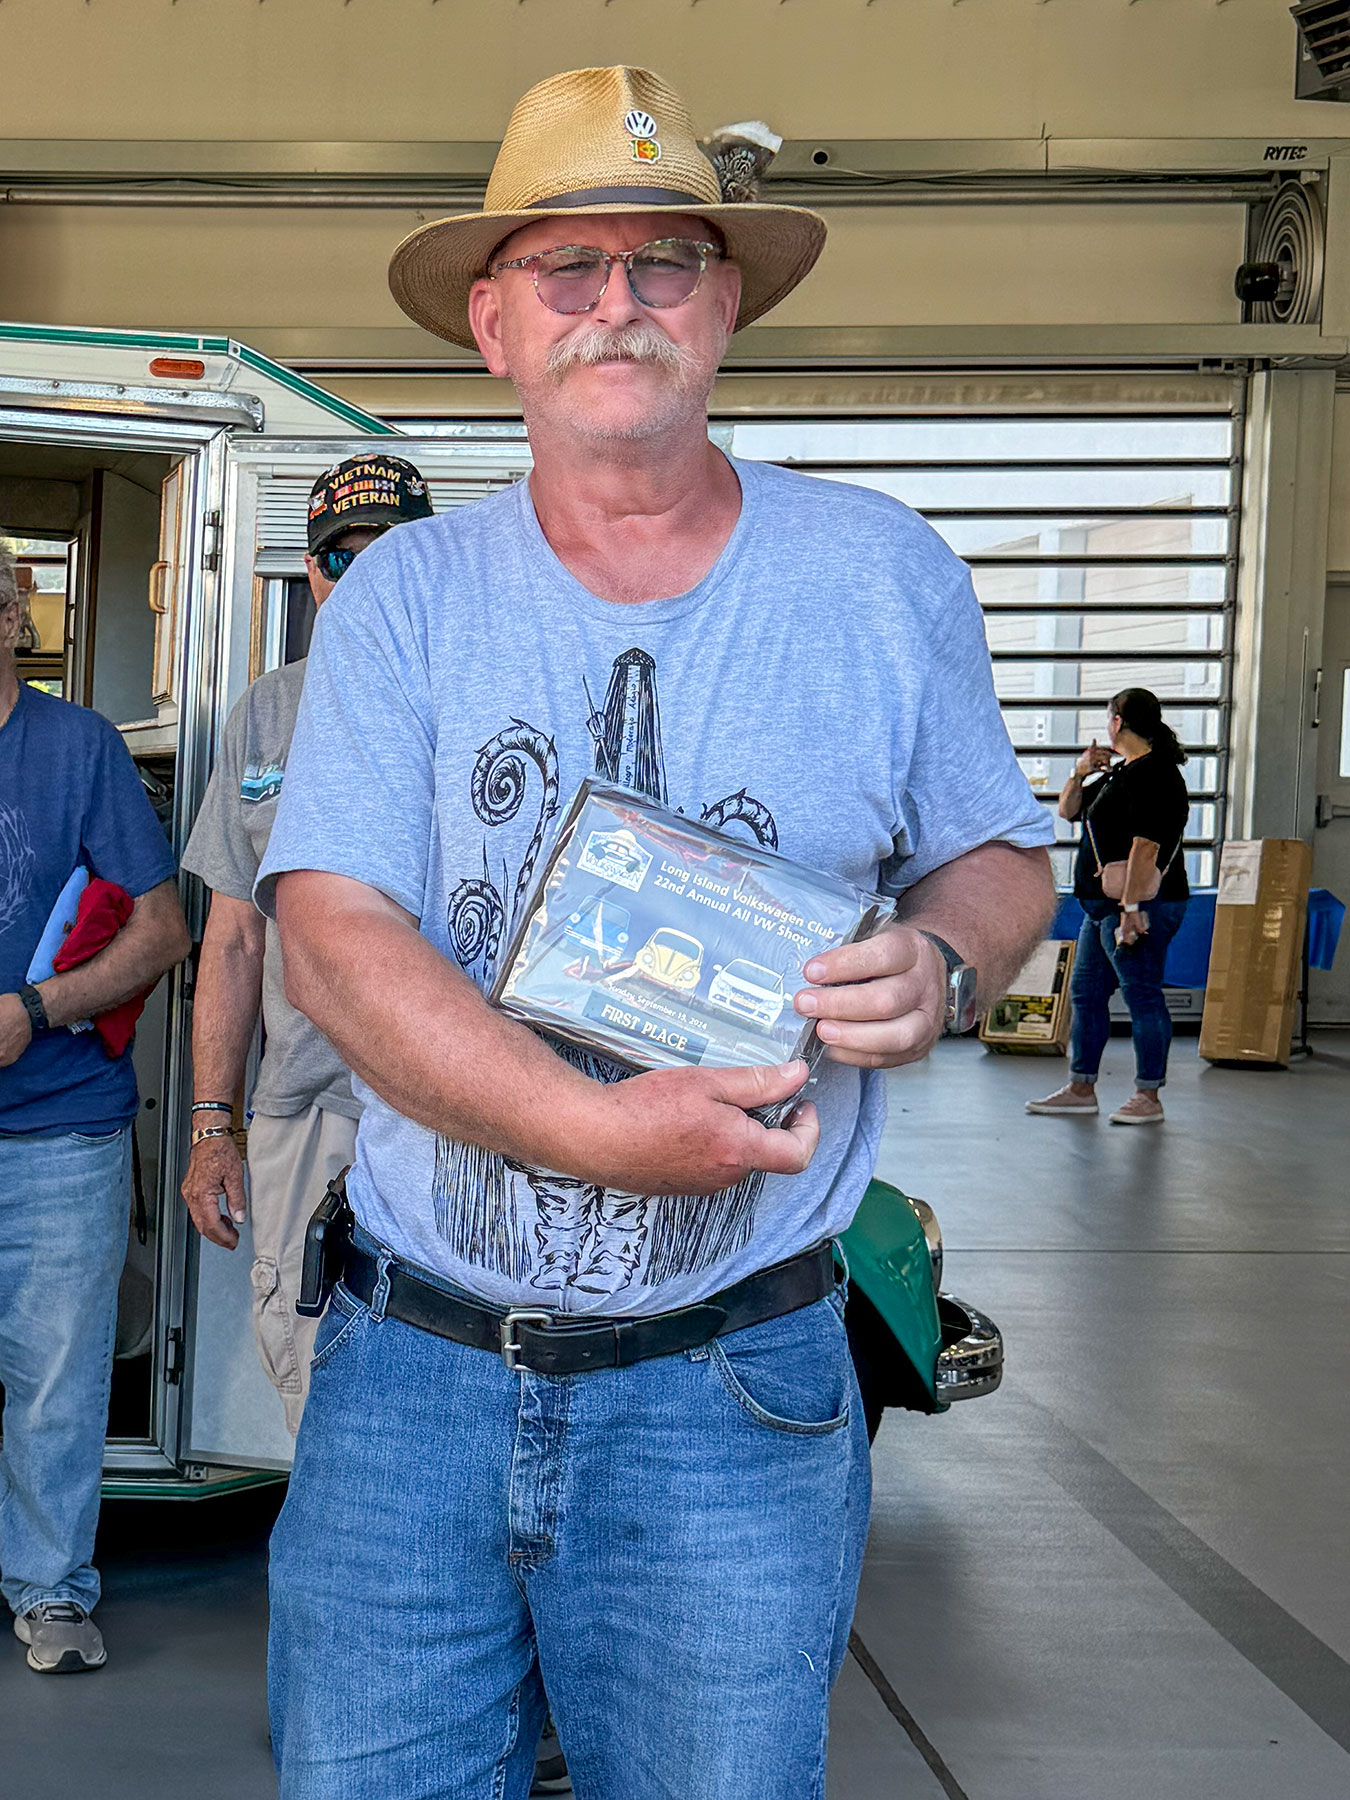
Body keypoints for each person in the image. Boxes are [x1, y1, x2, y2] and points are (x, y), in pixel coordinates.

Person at [257, 66, 1056, 1800]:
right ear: (493, 326)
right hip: (412, 1377)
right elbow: (331, 931)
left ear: (725, 307)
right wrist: (591, 1132)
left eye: (664, 261)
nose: (616, 300)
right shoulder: (405, 600)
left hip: (732, 1385)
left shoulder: (878, 576)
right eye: (567, 265)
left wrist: (943, 961)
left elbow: (999, 859)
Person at [179, 457, 433, 1432]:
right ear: (312, 573)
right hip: (303, 1110)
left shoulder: (480, 701)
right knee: (311, 1383)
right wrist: (212, 1126)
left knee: (443, 1389)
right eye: (341, 556)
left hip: (449, 1109)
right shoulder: (266, 713)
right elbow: (234, 941)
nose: (362, 576)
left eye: (391, 552)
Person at [0, 539, 190, 1673]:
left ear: (11, 619)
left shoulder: (79, 748)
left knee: (56, 1386)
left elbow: (164, 932)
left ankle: (50, 1591)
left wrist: (35, 1009)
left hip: (60, 1127)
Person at [1028, 686, 1190, 1126]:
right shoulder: (1121, 773)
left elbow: (1146, 847)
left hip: (1138, 906)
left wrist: (1132, 909)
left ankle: (1148, 1095)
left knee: (1142, 994)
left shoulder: (1157, 775)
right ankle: (1081, 1088)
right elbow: (1068, 811)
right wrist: (1079, 772)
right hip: (1102, 908)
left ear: (1118, 722)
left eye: (1108, 718)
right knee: (1086, 994)